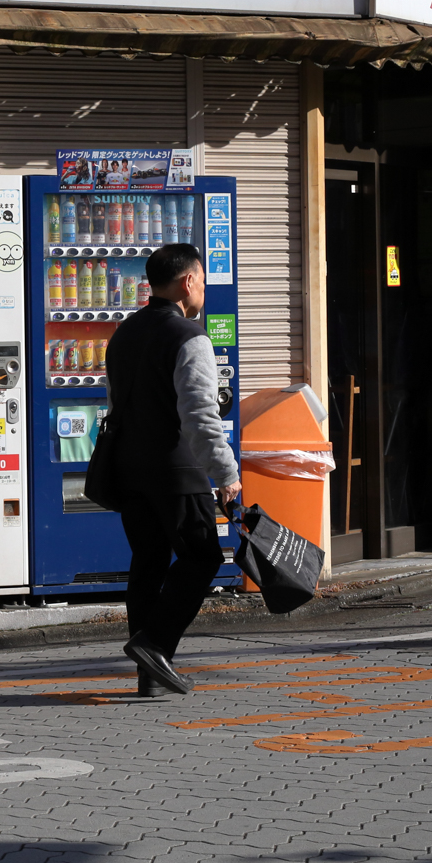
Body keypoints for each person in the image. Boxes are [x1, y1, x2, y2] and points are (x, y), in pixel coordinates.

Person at [103, 242, 240, 697]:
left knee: (148, 563)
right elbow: (201, 414)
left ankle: (150, 677)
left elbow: (115, 403)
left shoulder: (123, 333)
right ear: (188, 281)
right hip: (177, 470)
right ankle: (155, 645)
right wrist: (226, 473)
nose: (203, 289)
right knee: (203, 557)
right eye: (202, 280)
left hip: (128, 468)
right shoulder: (190, 336)